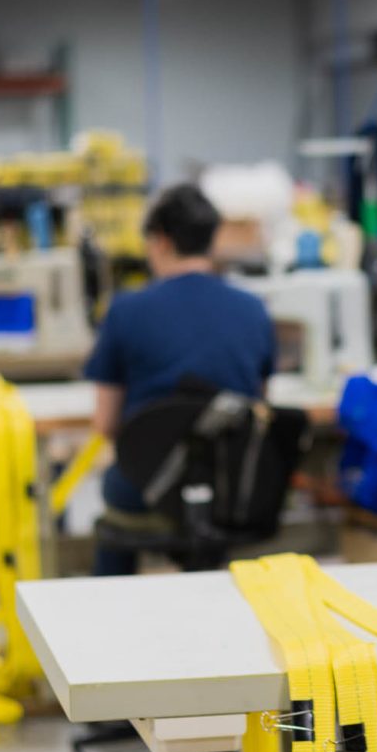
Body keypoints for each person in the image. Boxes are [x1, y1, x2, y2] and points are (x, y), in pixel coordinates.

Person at [84, 183, 275, 574]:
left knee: (114, 507)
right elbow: (256, 411)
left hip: (144, 490)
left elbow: (104, 424)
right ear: (211, 240)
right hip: (228, 491)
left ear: (161, 241)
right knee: (210, 498)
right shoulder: (254, 310)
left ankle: (105, 608)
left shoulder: (126, 311)